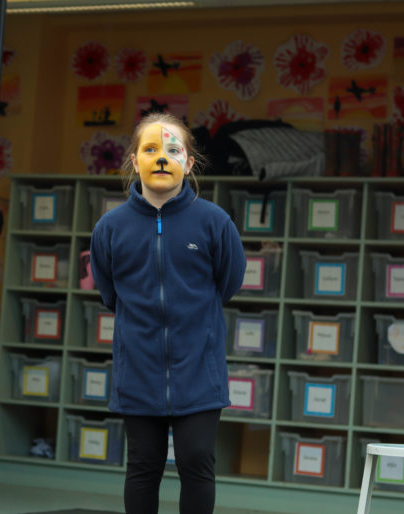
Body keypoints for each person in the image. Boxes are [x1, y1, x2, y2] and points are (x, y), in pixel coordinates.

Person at [90, 112, 246, 514]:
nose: (161, 158)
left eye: (172, 150)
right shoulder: (110, 227)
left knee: (197, 462)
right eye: (151, 149)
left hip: (199, 369)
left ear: (189, 163)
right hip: (138, 369)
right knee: (143, 467)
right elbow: (109, 292)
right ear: (134, 160)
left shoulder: (214, 223)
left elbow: (228, 282)